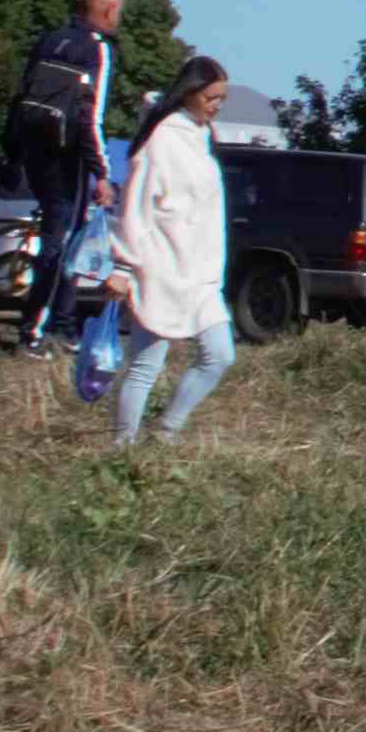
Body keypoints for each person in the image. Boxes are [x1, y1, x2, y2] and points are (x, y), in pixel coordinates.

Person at [108, 54, 237, 449]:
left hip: (200, 274)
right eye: (212, 97)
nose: (217, 106)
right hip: (161, 268)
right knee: (146, 365)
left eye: (222, 99)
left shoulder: (201, 138)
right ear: (191, 93)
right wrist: (123, 267)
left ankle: (165, 433)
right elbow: (136, 207)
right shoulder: (161, 140)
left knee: (219, 356)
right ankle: (122, 448)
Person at [0, 0, 121, 354]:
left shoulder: (50, 39)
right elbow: (90, 116)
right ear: (107, 10)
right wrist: (102, 172)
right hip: (68, 160)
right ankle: (34, 333)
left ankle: (63, 327)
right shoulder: (96, 49)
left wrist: (12, 152)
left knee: (70, 239)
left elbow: (21, 96)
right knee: (63, 243)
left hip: (35, 151)